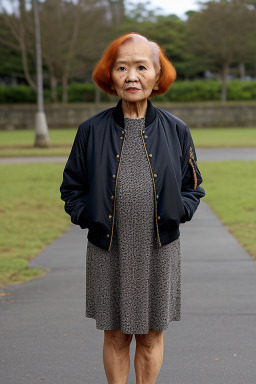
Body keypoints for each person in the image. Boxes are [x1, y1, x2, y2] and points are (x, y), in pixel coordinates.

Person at [60, 32, 205, 384]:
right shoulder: (90, 131)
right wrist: (89, 217)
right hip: (108, 249)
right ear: (110, 77)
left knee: (152, 334)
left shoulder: (177, 129)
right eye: (121, 67)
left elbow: (193, 186)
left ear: (157, 76)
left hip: (159, 249)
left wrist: (178, 211)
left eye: (141, 67)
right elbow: (72, 188)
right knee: (115, 334)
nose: (131, 76)